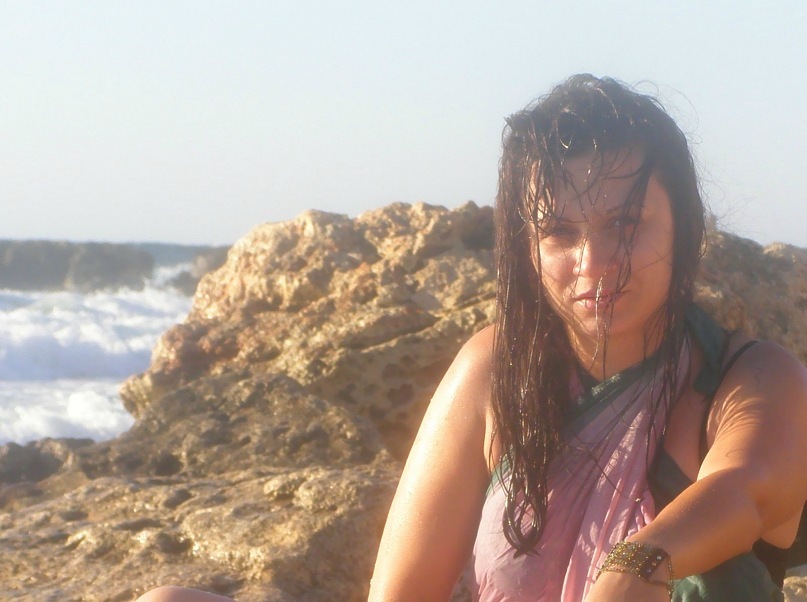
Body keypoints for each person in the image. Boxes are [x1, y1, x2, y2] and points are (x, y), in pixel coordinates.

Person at [368, 74, 807, 601]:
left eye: (625, 224)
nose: (593, 263)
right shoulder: (496, 371)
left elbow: (748, 492)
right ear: (526, 247)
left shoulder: (754, 378)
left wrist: (635, 565)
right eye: (558, 232)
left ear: (684, 227)